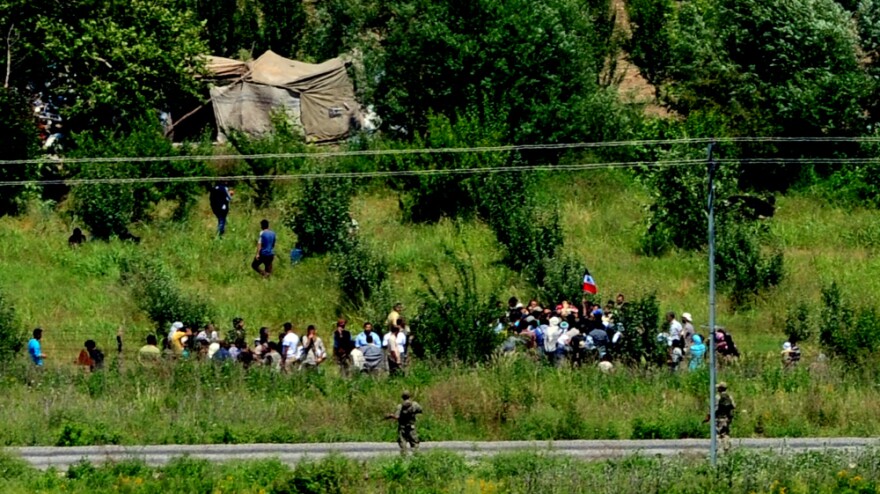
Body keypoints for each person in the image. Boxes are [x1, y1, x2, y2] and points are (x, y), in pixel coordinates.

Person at [710, 382, 736, 452]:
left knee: (717, 434)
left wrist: (709, 416)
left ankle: (717, 449)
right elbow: (734, 406)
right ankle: (726, 448)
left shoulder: (717, 397)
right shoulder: (729, 396)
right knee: (726, 433)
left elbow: (714, 408)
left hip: (719, 418)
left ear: (720, 389)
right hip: (727, 418)